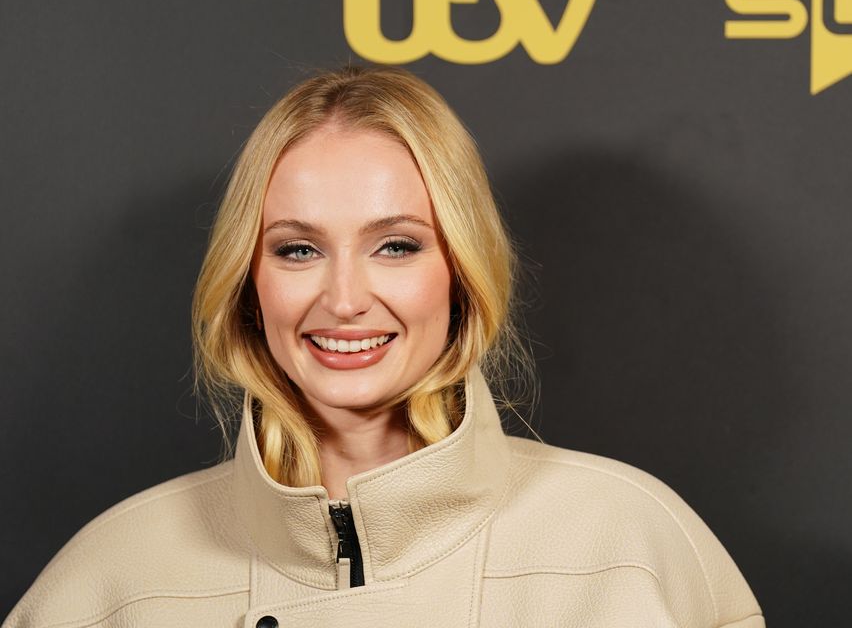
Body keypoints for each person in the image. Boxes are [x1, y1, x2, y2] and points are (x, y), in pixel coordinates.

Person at [3, 65, 765, 628]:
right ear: (248, 281)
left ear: (460, 272)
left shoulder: (632, 545)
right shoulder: (112, 580)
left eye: (395, 246)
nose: (343, 299)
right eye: (298, 250)